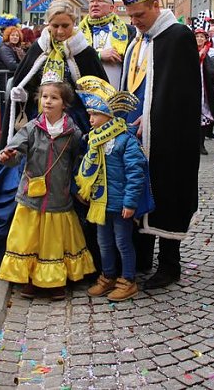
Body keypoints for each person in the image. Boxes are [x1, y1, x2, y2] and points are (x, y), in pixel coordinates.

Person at [107, 0, 201, 290]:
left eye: (139, 16)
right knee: (136, 189)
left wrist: (153, 120)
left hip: (167, 136)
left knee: (166, 192)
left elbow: (183, 94)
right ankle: (142, 256)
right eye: (130, 17)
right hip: (135, 134)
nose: (134, 22)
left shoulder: (177, 37)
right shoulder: (138, 41)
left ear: (155, 6)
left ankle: (170, 263)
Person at [0, 71, 96, 300]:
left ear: (65, 104)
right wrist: (7, 156)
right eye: (44, 97)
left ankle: (54, 281)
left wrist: (81, 186)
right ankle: (31, 278)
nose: (48, 101)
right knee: (30, 239)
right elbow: (16, 152)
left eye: (54, 98)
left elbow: (80, 162)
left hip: (58, 198)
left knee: (53, 242)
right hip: (31, 195)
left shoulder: (73, 133)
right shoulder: (31, 128)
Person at [75, 76, 152, 302]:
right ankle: (108, 276)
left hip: (119, 205)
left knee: (122, 243)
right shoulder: (93, 140)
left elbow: (136, 173)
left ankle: (128, 280)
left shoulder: (125, 140)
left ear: (108, 116)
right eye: (89, 114)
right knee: (104, 243)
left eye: (94, 114)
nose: (90, 119)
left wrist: (130, 203)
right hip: (100, 203)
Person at [6, 0, 107, 139]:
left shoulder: (85, 52)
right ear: (48, 24)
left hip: (75, 121)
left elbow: (99, 92)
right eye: (55, 26)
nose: (60, 31)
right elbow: (26, 81)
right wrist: (23, 95)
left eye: (65, 26)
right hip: (39, 118)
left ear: (74, 23)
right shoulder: (38, 48)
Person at [78, 0, 136, 88]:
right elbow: (74, 58)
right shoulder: (78, 32)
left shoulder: (129, 31)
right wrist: (99, 55)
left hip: (119, 92)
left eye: (100, 1)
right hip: (86, 93)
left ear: (111, 8)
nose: (94, 4)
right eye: (92, 1)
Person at [195, 29, 214, 155]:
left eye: (202, 37)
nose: (199, 39)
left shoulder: (211, 51)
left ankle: (201, 144)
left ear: (206, 39)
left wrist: (205, 56)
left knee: (204, 116)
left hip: (206, 88)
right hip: (193, 88)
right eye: (197, 36)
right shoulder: (189, 51)